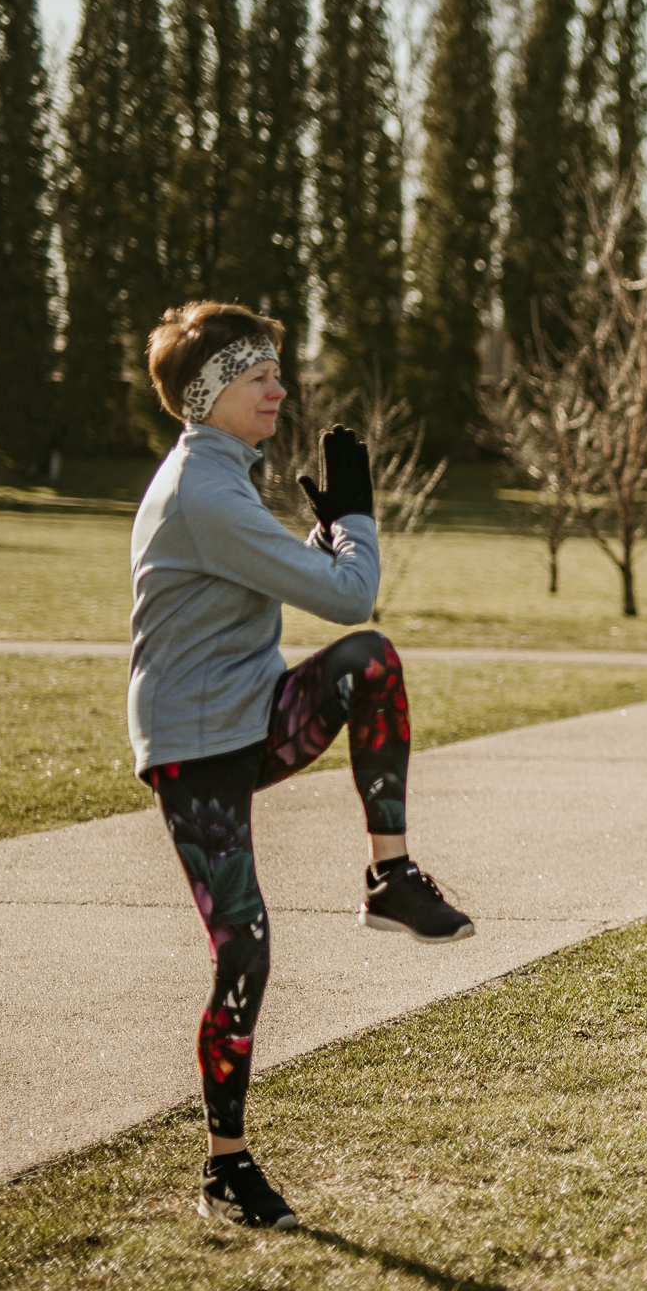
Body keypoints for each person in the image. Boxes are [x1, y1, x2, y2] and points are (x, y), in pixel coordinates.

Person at [129, 301, 474, 1230]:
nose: (280, 390)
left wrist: (320, 541)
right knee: (243, 949)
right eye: (259, 377)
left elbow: (287, 584)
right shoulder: (203, 490)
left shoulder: (222, 476)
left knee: (371, 665)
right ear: (208, 394)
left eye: (277, 372)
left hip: (247, 713)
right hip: (194, 746)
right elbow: (351, 593)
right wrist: (355, 523)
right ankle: (226, 1167)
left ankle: (391, 876)